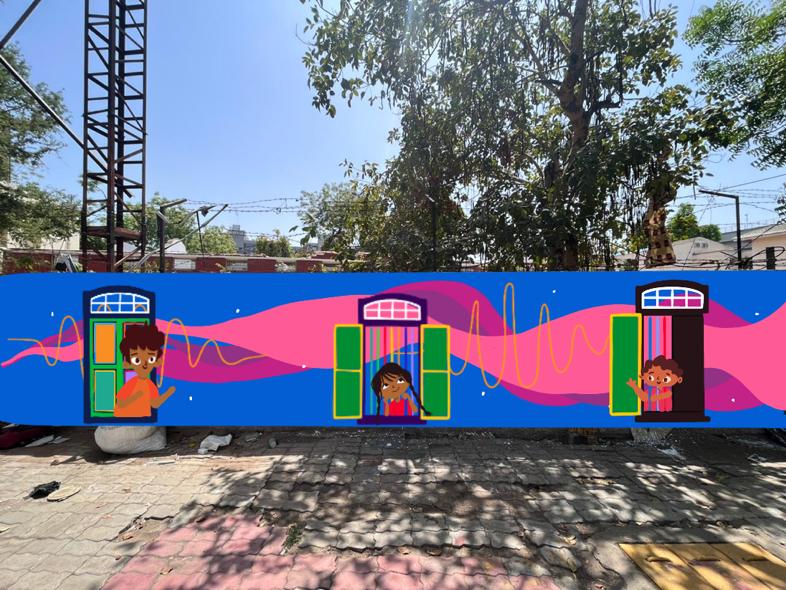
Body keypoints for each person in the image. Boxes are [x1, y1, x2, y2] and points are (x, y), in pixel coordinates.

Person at [114, 324, 176, 418]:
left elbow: (155, 404)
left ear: (157, 361)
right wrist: (135, 396)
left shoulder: (150, 385)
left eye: (151, 359)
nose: (144, 365)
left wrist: (168, 393)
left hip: (142, 421)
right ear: (128, 363)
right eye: (137, 360)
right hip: (125, 419)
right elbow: (120, 403)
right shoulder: (132, 383)